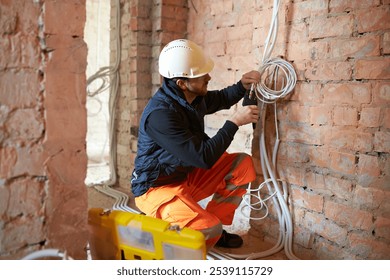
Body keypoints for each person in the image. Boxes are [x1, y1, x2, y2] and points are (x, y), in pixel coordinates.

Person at [131, 39, 260, 250]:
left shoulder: (191, 97)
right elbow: (203, 157)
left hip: (185, 175)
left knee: (242, 165)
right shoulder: (160, 115)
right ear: (182, 83)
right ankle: (158, 219)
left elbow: (219, 98)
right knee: (203, 232)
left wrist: (241, 86)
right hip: (156, 187)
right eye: (202, 76)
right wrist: (234, 121)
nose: (208, 77)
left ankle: (215, 230)